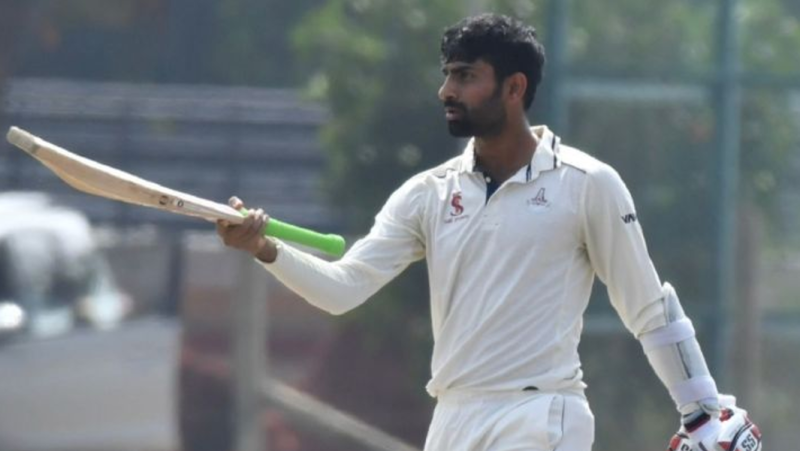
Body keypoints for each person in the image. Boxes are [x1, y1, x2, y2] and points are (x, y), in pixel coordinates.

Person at [217, 13, 761, 451]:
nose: (445, 91)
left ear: (514, 87)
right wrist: (265, 248)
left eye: (465, 76)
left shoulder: (587, 183)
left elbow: (648, 308)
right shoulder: (428, 194)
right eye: (447, 75)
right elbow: (343, 289)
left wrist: (702, 409)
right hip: (453, 418)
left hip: (540, 414)